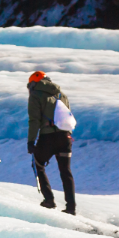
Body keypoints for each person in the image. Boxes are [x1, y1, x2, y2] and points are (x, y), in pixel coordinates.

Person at [26, 70, 76, 214]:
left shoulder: (36, 95)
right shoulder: (62, 95)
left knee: (38, 164)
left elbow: (34, 120)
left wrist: (31, 141)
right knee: (66, 172)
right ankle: (71, 207)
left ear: (34, 84)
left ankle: (49, 200)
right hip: (65, 137)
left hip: (48, 138)